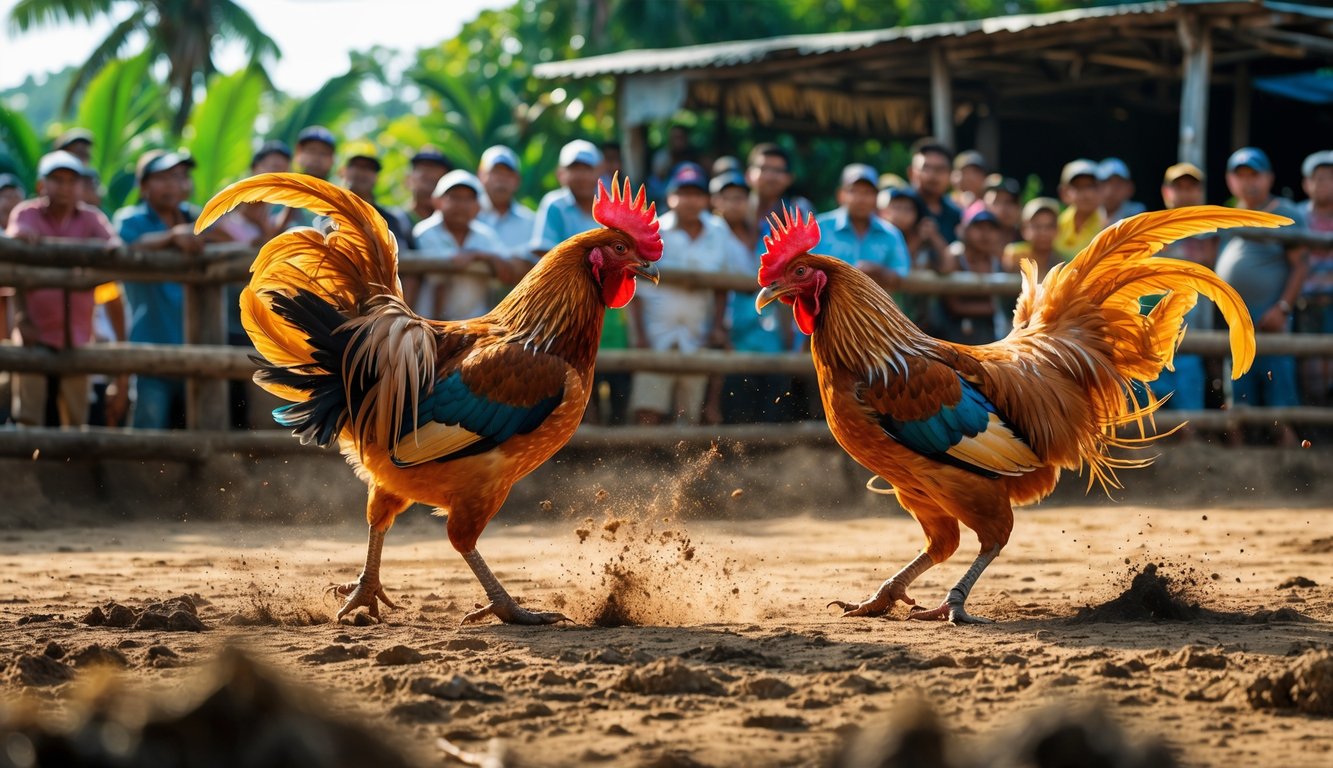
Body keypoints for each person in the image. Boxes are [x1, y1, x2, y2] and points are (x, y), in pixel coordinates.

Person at [5, 151, 119, 427]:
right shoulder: (27, 213)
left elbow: (115, 247)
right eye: (57, 180)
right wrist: (22, 318)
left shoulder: (91, 218)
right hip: (33, 329)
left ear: (81, 186)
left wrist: (101, 253)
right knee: (29, 412)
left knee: (76, 414)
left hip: (78, 332)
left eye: (72, 180)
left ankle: (71, 470)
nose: (65, 187)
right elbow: (14, 238)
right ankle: (27, 469)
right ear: (41, 185)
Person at [629, 163, 741, 425]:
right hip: (655, 330)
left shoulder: (718, 231)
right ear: (671, 197)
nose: (690, 200)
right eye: (683, 193)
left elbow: (722, 285)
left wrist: (717, 326)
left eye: (696, 194)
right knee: (648, 407)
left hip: (696, 330)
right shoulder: (654, 230)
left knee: (690, 409)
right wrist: (640, 335)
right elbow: (634, 287)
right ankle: (643, 461)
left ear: (706, 199)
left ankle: (683, 465)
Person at [530, 140, 630, 424]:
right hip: (567, 306)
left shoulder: (612, 207)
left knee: (616, 374)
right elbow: (543, 252)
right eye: (574, 169)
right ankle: (577, 445)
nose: (581, 175)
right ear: (561, 173)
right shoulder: (555, 205)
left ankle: (615, 442)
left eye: (587, 168)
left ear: (600, 170)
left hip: (610, 305)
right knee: (569, 374)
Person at [114, 149, 212, 429]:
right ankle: (136, 476)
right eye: (162, 177)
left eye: (179, 176)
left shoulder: (197, 218)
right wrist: (172, 237)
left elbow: (233, 237)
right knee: (149, 428)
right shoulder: (130, 219)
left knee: (200, 431)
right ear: (143, 186)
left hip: (198, 348)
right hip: (150, 346)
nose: (172, 184)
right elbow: (126, 246)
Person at [1215, 147, 1307, 446]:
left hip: (1270, 319)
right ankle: (1240, 469)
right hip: (1237, 323)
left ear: (1268, 178)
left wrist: (1282, 308)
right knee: (1237, 391)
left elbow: (1300, 265)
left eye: (1254, 175)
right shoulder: (1227, 217)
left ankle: (1293, 465)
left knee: (1278, 389)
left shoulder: (1286, 213)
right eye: (1240, 176)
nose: (1247, 182)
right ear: (1230, 181)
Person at [712, 169, 791, 424]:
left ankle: (768, 453)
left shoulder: (761, 233)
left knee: (772, 393)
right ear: (717, 201)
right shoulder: (713, 233)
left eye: (741, 198)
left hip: (766, 327)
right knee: (735, 395)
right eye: (729, 198)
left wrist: (788, 327)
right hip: (730, 324)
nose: (736, 203)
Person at [1142, 162, 1217, 417]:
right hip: (1156, 333)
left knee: (1192, 398)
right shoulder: (1152, 233)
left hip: (1198, 331)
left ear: (1200, 192)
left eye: (1191, 187)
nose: (1185, 193)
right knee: (1152, 406)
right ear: (1166, 192)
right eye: (1179, 187)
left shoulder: (1214, 233)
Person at [409, 170, 510, 321]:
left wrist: (477, 255)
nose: (462, 205)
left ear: (478, 205)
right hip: (428, 329)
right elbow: (438, 285)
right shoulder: (423, 233)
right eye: (454, 197)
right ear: (437, 201)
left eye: (469, 199)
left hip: (474, 331)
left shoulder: (487, 237)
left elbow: (507, 273)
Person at [816, 163, 910, 292]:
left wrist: (877, 270)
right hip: (824, 309)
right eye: (854, 191)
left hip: (872, 311)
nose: (861, 199)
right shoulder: (819, 227)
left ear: (877, 197)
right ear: (841, 194)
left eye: (868, 192)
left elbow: (900, 276)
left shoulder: (891, 234)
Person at [1298, 150, 1333, 405]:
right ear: (1306, 183)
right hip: (1305, 302)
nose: (1324, 184)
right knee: (1307, 364)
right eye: (1318, 178)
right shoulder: (1297, 217)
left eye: (1330, 178)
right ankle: (1310, 421)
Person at [938, 208, 1004, 345]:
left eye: (991, 229)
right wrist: (996, 308)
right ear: (965, 230)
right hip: (953, 339)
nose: (985, 235)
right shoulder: (955, 257)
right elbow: (954, 306)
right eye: (978, 227)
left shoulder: (1000, 260)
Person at [338, 142, 415, 250]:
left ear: (377, 177)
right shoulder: (329, 212)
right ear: (343, 172)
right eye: (358, 166)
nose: (363, 173)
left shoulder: (390, 219)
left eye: (370, 168)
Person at [476, 145, 535, 265]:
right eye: (496, 172)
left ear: (517, 180)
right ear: (480, 175)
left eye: (508, 174)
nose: (501, 179)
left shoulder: (531, 221)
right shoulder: (467, 215)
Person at [908, 138, 963, 264]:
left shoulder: (956, 215)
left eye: (940, 169)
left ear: (950, 175)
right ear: (911, 172)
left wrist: (934, 237)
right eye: (926, 168)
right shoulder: (897, 207)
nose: (933, 175)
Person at [1054, 158, 1105, 262]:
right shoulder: (1056, 225)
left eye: (1090, 186)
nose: (1086, 194)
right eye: (1077, 186)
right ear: (1064, 192)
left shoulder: (1111, 225)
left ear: (1101, 189)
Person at [1001, 197, 1061, 280]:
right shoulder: (1015, 255)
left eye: (1049, 226)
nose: (1043, 232)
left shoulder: (1061, 261)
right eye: (1037, 226)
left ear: (1057, 230)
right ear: (1024, 229)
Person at [405, 146, 452, 226]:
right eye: (422, 168)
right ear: (408, 179)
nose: (428, 173)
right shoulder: (392, 222)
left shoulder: (457, 228)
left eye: (434, 168)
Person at [1098, 158, 1145, 225]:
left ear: (1129, 188)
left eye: (1118, 184)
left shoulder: (1137, 214)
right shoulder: (1087, 212)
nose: (1111, 190)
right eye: (1106, 183)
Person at [981, 174, 1022, 245]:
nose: (1003, 208)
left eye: (1010, 202)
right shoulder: (972, 244)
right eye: (996, 202)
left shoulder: (1030, 242)